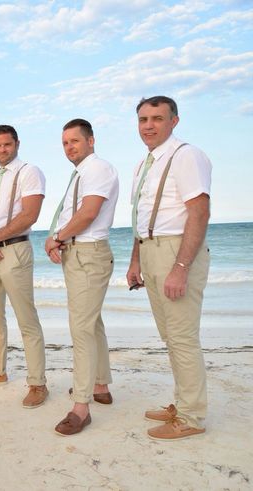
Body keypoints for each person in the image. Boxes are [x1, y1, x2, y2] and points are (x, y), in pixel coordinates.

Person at [127, 96, 212, 440]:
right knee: (171, 337)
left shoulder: (186, 155)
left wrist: (180, 266)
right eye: (143, 119)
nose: (148, 125)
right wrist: (136, 260)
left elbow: (199, 212)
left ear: (174, 121)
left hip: (176, 252)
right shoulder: (145, 164)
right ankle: (183, 402)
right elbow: (142, 218)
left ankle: (191, 417)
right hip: (151, 252)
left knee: (182, 337)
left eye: (157, 118)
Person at [44, 119, 119, 436]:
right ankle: (100, 386)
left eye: (75, 141)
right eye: (65, 143)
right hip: (79, 253)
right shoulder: (82, 173)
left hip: (89, 253)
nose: (69, 147)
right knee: (92, 323)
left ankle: (81, 407)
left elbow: (88, 213)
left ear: (91, 140)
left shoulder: (98, 169)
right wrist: (60, 239)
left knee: (81, 328)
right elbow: (76, 211)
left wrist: (57, 237)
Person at [0, 124, 49, 408]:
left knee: (26, 319)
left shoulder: (29, 172)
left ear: (17, 144)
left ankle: (38, 383)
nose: (2, 150)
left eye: (7, 145)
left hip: (15, 251)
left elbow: (31, 214)